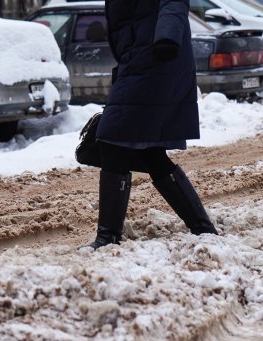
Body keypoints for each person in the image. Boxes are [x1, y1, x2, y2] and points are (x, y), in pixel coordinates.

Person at [86, 0, 219, 249]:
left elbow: (173, 3)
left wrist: (167, 36)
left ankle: (107, 237)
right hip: (138, 59)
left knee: (112, 137)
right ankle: (203, 229)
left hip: (157, 56)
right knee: (148, 150)